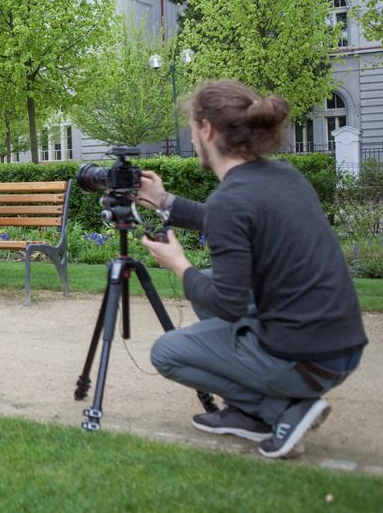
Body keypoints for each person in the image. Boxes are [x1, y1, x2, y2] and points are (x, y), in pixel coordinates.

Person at [137, 80, 367, 459]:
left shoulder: (232, 199)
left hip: (309, 360)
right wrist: (163, 202)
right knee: (210, 282)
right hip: (341, 346)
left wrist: (180, 266)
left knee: (167, 352)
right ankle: (248, 412)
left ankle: (279, 412)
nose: (193, 138)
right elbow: (229, 216)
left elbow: (227, 304)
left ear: (207, 129)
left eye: (192, 129)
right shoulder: (283, 176)